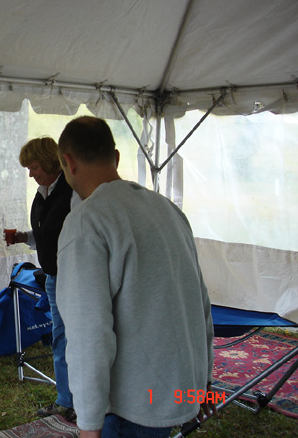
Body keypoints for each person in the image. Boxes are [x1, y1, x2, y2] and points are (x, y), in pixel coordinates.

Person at [55, 116, 216, 438]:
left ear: (68, 163)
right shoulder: (167, 209)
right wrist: (204, 382)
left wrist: (88, 424)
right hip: (171, 389)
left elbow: (89, 333)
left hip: (130, 403)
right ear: (115, 158)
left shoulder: (88, 222)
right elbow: (200, 302)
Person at [6, 136, 80, 422]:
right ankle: (67, 399)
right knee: (61, 337)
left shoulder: (72, 193)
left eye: (34, 166)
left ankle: (72, 401)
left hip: (72, 278)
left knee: (67, 338)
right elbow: (47, 234)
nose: (30, 173)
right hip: (53, 276)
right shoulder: (42, 193)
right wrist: (25, 237)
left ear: (50, 162)